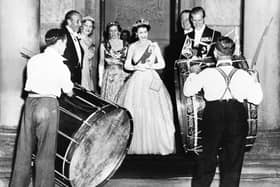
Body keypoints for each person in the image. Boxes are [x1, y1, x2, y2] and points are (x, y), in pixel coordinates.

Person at [183, 36, 263, 187]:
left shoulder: (207, 73)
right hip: (237, 115)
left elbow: (188, 91)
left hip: (213, 115)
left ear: (215, 53)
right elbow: (257, 99)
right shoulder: (243, 75)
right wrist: (255, 80)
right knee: (232, 162)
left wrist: (193, 73)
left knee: (206, 159)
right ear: (232, 54)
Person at [10, 28, 74, 187]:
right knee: (46, 151)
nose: (65, 47)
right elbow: (68, 91)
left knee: (24, 149)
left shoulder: (33, 60)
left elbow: (30, 84)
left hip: (30, 104)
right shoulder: (61, 65)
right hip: (48, 104)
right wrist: (71, 90)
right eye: (65, 44)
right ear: (59, 42)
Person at [115, 19, 175, 155]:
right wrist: (137, 66)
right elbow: (126, 65)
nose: (143, 35)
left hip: (151, 78)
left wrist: (150, 66)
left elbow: (162, 64)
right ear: (136, 33)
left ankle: (157, 143)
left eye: (145, 32)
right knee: (137, 109)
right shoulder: (133, 47)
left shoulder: (153, 46)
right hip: (137, 80)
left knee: (154, 110)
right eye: (140, 32)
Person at [98, 21, 129, 102]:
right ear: (108, 32)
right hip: (109, 76)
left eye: (115, 30)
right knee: (109, 99)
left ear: (119, 31)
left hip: (121, 76)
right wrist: (100, 79)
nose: (113, 33)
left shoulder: (126, 44)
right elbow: (101, 63)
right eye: (111, 31)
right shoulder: (104, 45)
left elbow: (128, 62)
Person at [61, 10, 84, 84]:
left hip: (76, 76)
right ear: (69, 22)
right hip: (67, 76)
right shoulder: (63, 35)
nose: (80, 24)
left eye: (81, 22)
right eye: (77, 21)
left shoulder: (75, 35)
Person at [79, 16, 96, 91]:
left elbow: (90, 57)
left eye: (90, 26)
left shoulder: (90, 40)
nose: (88, 28)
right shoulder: (77, 38)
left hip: (87, 69)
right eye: (86, 25)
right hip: (80, 68)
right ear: (81, 26)